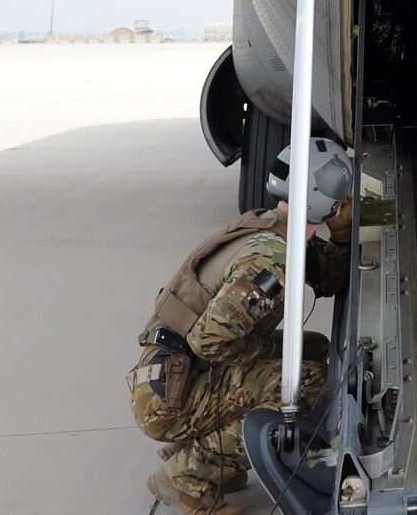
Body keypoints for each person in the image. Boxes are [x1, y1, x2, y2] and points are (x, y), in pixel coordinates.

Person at [129, 139, 356, 513]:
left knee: (312, 346)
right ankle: (190, 475)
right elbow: (211, 342)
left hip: (171, 375)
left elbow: (329, 278)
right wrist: (273, 356)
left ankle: (207, 449)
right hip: (170, 397)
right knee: (306, 382)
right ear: (325, 200)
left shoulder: (270, 227)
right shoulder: (272, 259)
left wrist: (343, 234)